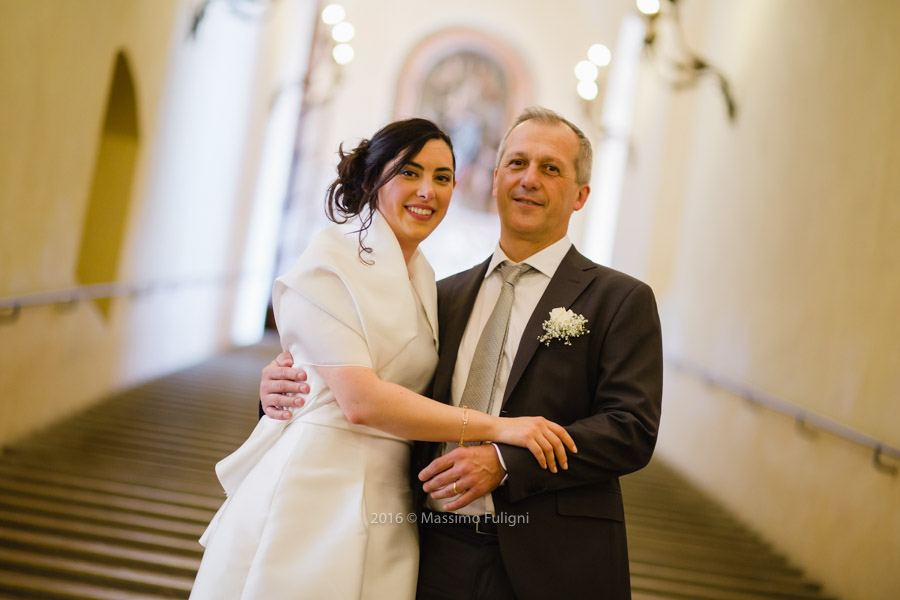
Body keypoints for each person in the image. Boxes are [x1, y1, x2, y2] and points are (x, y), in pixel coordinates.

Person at [261, 107, 663, 599]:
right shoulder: (441, 295)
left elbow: (631, 429)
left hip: (555, 558)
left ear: (580, 195)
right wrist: (288, 387)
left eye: (550, 168)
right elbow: (387, 386)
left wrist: (506, 460)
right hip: (431, 549)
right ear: (494, 180)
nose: (529, 179)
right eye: (517, 164)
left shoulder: (619, 299)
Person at [191, 118, 576, 600]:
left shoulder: (430, 282)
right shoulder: (330, 259)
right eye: (409, 173)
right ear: (374, 179)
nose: (427, 191)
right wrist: (499, 428)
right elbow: (360, 401)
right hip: (318, 485)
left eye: (441, 178)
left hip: (391, 495)